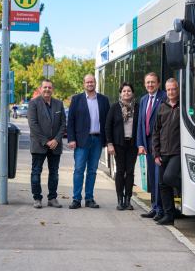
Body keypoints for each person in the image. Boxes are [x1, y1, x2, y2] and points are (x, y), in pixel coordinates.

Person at [67, 74, 110, 209]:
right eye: (87, 82)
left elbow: (108, 122)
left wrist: (108, 141)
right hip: (81, 141)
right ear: (84, 84)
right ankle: (76, 199)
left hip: (97, 140)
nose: (90, 84)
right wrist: (71, 139)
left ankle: (89, 198)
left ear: (95, 83)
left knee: (92, 170)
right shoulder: (76, 99)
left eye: (92, 82)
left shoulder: (103, 100)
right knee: (79, 170)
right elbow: (71, 121)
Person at [27, 79, 66, 209]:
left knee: (54, 173)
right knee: (36, 172)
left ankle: (52, 198)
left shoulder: (59, 104)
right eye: (45, 87)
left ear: (52, 89)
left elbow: (63, 124)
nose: (47, 90)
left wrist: (56, 140)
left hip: (55, 145)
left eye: (49, 87)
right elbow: (33, 125)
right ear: (40, 88)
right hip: (39, 145)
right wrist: (46, 141)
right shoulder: (33, 103)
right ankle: (37, 198)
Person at [137, 72, 166, 220]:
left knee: (158, 177)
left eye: (153, 82)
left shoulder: (164, 97)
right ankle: (154, 207)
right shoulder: (143, 99)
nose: (150, 85)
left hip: (159, 144)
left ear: (158, 84)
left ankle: (160, 209)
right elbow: (141, 123)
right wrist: (140, 143)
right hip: (147, 144)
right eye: (147, 82)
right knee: (151, 178)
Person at [105, 82, 139, 210]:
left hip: (132, 144)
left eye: (129, 91)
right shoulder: (114, 108)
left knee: (130, 172)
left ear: (132, 93)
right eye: (124, 91)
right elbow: (107, 126)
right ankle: (120, 200)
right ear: (120, 93)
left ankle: (128, 200)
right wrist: (110, 144)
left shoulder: (138, 107)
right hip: (118, 144)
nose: (126, 93)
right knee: (120, 171)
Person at [152, 78, 181, 225]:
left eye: (173, 89)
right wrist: (156, 153)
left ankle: (188, 188)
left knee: (169, 178)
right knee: (163, 184)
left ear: (178, 89)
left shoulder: (183, 106)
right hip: (163, 152)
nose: (171, 92)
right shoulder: (162, 107)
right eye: (168, 89)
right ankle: (170, 216)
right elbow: (156, 132)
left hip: (177, 152)